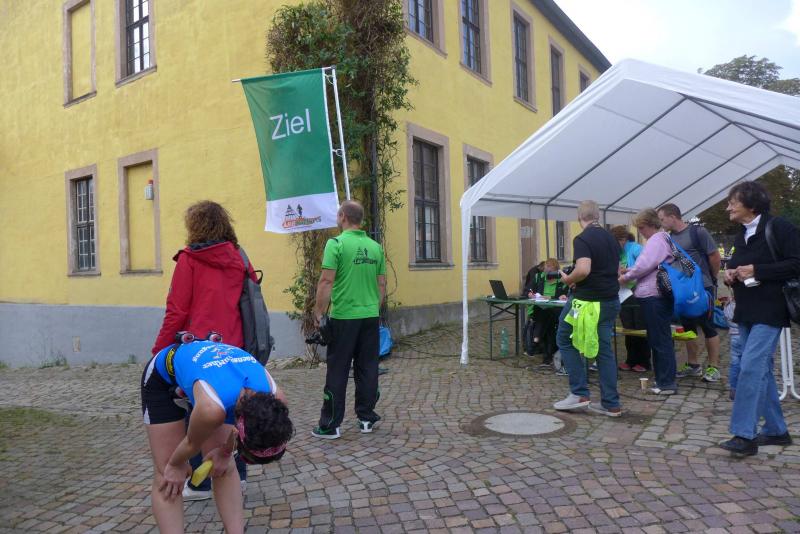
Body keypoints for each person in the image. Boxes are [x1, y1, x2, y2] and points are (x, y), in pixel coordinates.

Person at [152, 200, 257, 499]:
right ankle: (238, 474)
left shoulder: (189, 259)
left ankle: (201, 482)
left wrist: (159, 352)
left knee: (197, 410)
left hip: (198, 349)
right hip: (234, 346)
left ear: (194, 226)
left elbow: (176, 311)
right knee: (234, 407)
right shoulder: (239, 257)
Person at [141, 338, 293, 533]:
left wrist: (226, 451)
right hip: (164, 379)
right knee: (167, 476)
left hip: (214, 376)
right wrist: (175, 464)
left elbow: (235, 437)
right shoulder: (213, 409)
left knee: (223, 466)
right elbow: (191, 443)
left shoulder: (278, 401)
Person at [718, 181, 800, 456]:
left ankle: (744, 435)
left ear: (751, 205)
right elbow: (736, 265)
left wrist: (757, 270)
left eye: (733, 202)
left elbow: (796, 263)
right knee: (760, 370)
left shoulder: (780, 228)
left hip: (771, 310)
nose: (728, 207)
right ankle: (777, 430)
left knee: (750, 367)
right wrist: (730, 274)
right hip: (746, 310)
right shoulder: (741, 234)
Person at [312, 200, 386, 439]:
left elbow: (326, 281)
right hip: (370, 317)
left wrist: (319, 312)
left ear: (343, 216)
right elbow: (381, 284)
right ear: (360, 219)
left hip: (344, 317)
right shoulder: (376, 247)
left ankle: (330, 425)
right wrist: (373, 308)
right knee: (368, 368)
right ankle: (366, 418)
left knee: (338, 370)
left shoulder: (336, 244)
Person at [553, 201, 623, 417]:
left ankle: (579, 393)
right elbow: (617, 271)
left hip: (587, 302)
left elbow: (583, 269)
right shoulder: (611, 239)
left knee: (564, 338)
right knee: (604, 350)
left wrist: (569, 279)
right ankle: (611, 403)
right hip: (610, 300)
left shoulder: (583, 239)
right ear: (597, 216)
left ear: (579, 218)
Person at [657, 204, 722, 382]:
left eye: (662, 219)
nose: (661, 223)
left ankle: (714, 367)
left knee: (708, 326)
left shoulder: (698, 232)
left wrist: (711, 278)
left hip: (703, 288)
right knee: (688, 328)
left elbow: (715, 257)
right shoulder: (669, 238)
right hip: (683, 291)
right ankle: (693, 365)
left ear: (672, 217)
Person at [619, 209, 679, 395]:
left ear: (652, 225)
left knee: (659, 340)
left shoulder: (656, 240)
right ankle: (663, 380)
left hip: (654, 295)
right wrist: (630, 271)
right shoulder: (664, 238)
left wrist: (625, 277)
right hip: (656, 295)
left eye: (642, 227)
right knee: (659, 338)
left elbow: (644, 265)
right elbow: (648, 265)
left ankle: (666, 382)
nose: (641, 232)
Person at [610, 226, 651, 372]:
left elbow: (645, 267)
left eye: (615, 243)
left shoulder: (636, 248)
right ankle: (630, 359)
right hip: (623, 293)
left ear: (623, 239)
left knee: (640, 327)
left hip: (638, 291)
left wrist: (626, 271)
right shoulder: (617, 252)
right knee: (628, 327)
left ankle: (644, 361)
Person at [530, 258, 569, 366]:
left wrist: (549, 297)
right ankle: (546, 356)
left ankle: (536, 339)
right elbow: (529, 290)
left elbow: (563, 296)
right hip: (542, 310)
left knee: (546, 316)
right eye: (546, 267)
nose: (546, 270)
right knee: (548, 323)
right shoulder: (539, 278)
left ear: (555, 270)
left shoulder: (562, 280)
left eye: (549, 268)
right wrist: (531, 294)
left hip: (558, 311)